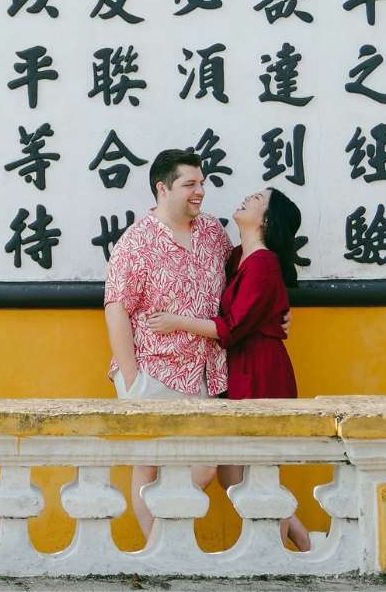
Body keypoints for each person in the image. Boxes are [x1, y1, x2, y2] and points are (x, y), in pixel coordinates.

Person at [146, 187, 312, 551]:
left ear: (266, 220)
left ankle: (273, 553)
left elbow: (231, 327)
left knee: (252, 469)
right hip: (242, 367)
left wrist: (177, 321)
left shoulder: (263, 265)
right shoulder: (241, 256)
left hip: (260, 371)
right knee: (234, 474)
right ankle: (300, 538)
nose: (248, 198)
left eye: (258, 198)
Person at [103, 149, 234, 540]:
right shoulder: (136, 242)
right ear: (163, 188)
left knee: (205, 465)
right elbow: (116, 308)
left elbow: (239, 287)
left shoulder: (213, 232)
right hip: (153, 370)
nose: (200, 191)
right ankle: (158, 555)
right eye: (189, 184)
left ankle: (160, 542)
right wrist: (133, 378)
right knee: (147, 467)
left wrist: (277, 312)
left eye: (201, 182)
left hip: (205, 372)